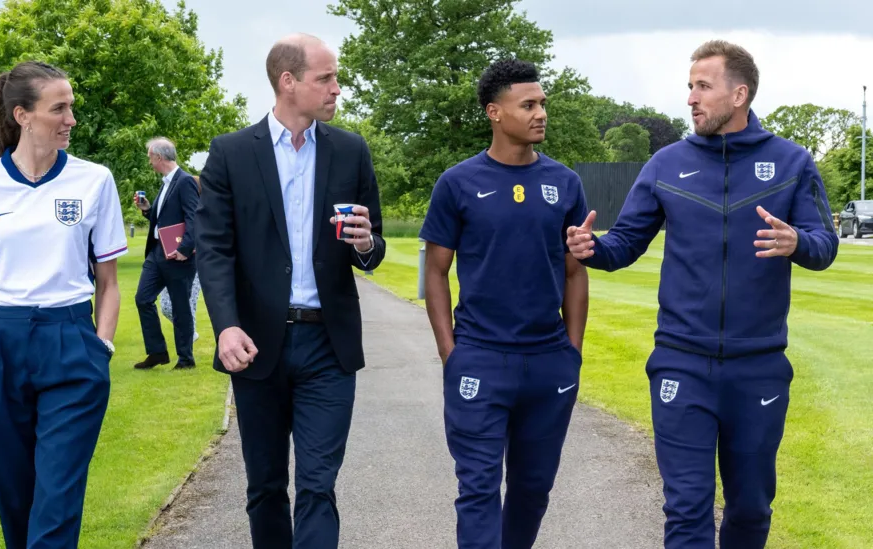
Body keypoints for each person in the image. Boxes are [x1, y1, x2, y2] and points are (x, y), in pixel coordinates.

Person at [566, 40, 838, 549]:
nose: (691, 98)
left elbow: (824, 246)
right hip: (681, 363)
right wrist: (590, 249)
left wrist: (796, 241)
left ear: (740, 94)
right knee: (686, 506)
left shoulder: (791, 162)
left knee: (752, 509)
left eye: (703, 86)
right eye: (689, 86)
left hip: (758, 366)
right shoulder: (665, 164)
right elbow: (624, 245)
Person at [195, 33, 386, 549]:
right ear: (288, 82)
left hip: (329, 345)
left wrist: (368, 243)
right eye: (325, 78)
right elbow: (213, 249)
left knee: (318, 486)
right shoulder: (231, 153)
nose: (336, 89)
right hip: (256, 344)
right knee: (265, 487)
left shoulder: (350, 150)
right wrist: (226, 326)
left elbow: (373, 245)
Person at [0, 60, 127, 549]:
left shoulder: (94, 180)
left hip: (72, 344)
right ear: (22, 115)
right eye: (59, 108)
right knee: (15, 497)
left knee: (57, 497)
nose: (72, 119)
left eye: (71, 107)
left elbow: (108, 282)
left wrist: (101, 346)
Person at [419, 59, 590, 549]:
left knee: (533, 490)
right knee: (477, 488)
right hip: (479, 358)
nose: (540, 114)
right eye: (528, 105)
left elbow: (575, 272)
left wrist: (571, 352)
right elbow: (435, 271)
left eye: (542, 104)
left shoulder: (566, 184)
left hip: (549, 363)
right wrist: (451, 353)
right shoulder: (457, 183)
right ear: (495, 112)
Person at [133, 137, 200, 370]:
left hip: (178, 256)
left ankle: (186, 359)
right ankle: (157, 352)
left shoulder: (184, 181)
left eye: (151, 157)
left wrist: (184, 249)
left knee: (181, 308)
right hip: (156, 254)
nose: (150, 162)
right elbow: (163, 220)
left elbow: (195, 217)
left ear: (159, 157)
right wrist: (147, 210)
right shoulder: (166, 183)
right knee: (142, 299)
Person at [159, 175, 202, 343]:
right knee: (166, 306)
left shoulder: (203, 212)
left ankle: (187, 342)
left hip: (194, 263)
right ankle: (190, 333)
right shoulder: (179, 210)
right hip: (172, 259)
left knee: (186, 304)